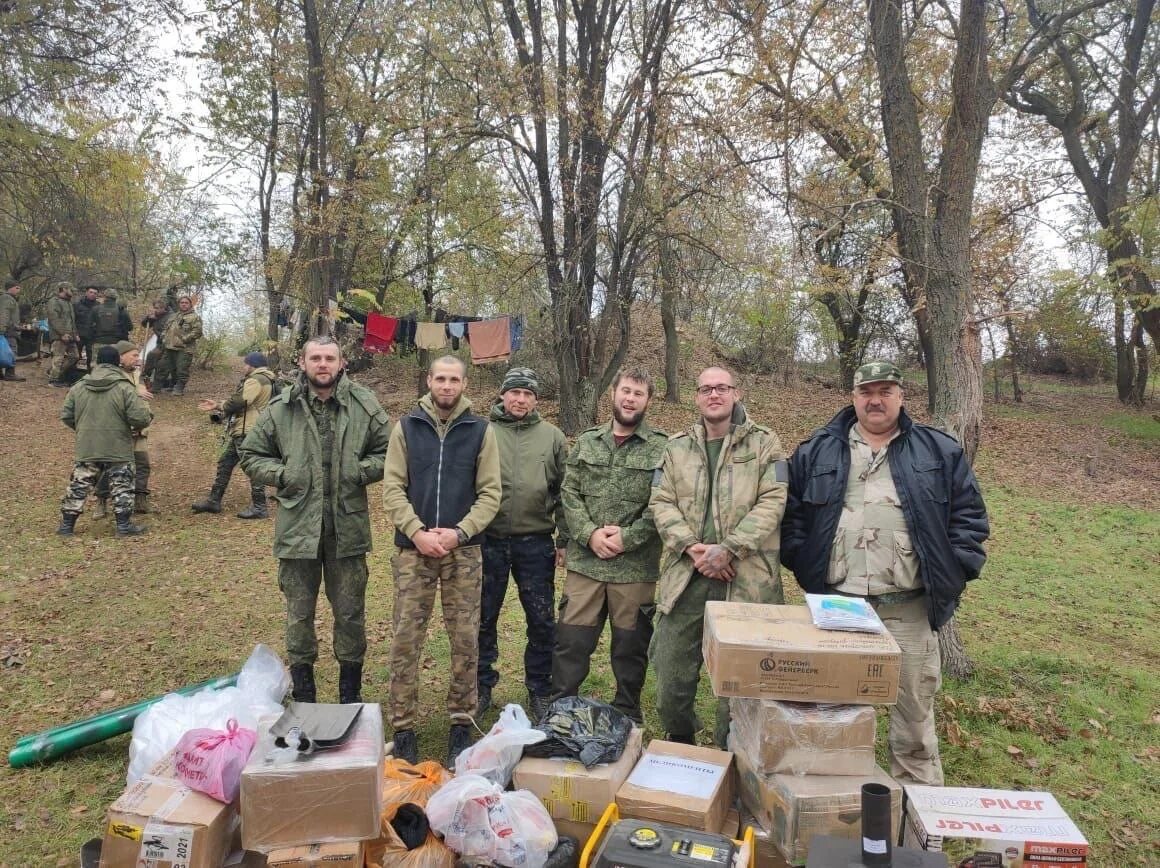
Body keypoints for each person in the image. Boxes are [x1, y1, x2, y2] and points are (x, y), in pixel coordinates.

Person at [780, 361, 990, 786]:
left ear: (901, 396)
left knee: (913, 716)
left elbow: (969, 516)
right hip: (839, 607)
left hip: (907, 608)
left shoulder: (937, 450)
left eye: (885, 391)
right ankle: (833, 803)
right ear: (853, 396)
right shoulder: (816, 449)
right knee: (833, 714)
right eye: (866, 391)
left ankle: (916, 819)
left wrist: (954, 569)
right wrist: (803, 561)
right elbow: (791, 516)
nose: (875, 400)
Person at [239, 336, 391, 705]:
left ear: (341, 364)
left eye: (330, 358)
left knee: (351, 614)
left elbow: (391, 450)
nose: (323, 364)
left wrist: (360, 470)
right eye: (315, 358)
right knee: (298, 615)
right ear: (303, 362)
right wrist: (285, 473)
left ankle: (349, 695)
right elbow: (251, 455)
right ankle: (305, 695)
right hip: (297, 529)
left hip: (347, 530)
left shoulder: (363, 404)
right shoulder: (281, 408)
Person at [650, 366, 789, 745]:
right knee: (671, 670)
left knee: (740, 676)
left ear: (736, 393)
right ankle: (681, 739)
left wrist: (729, 549)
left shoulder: (765, 443)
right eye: (706, 389)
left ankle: (732, 750)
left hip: (744, 579)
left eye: (722, 388)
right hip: (686, 576)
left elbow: (774, 501)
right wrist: (692, 548)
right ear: (697, 397)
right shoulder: (676, 447)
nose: (714, 394)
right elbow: (660, 501)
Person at [382, 355, 501, 766]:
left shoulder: (481, 431)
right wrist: (416, 531)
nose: (447, 385)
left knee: (465, 638)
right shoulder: (406, 428)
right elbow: (392, 488)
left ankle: (460, 722)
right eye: (440, 378)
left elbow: (490, 493)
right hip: (413, 550)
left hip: (463, 552)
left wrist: (459, 532)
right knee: (405, 638)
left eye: (454, 379)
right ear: (429, 381)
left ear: (465, 384)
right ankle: (403, 726)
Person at [552, 366, 668, 724]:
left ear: (648, 401)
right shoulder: (587, 441)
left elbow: (663, 502)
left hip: (633, 568)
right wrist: (588, 533)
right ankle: (561, 709)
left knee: (630, 647)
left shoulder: (663, 448)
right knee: (572, 642)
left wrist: (626, 538)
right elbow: (568, 492)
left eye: (638, 393)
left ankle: (627, 713)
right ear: (613, 393)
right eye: (626, 391)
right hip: (586, 563)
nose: (630, 398)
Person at [476, 367, 568, 722]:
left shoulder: (552, 437)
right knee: (483, 618)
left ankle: (540, 687)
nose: (520, 399)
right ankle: (481, 686)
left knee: (541, 619)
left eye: (527, 394)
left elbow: (565, 491)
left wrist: (565, 538)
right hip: (489, 540)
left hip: (536, 542)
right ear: (503, 395)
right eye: (514, 392)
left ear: (536, 399)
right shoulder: (482, 433)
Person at [56, 345, 153, 537]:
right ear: (117, 361)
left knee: (79, 484)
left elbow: (66, 415)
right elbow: (140, 418)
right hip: (118, 445)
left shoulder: (79, 386)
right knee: (122, 485)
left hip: (88, 445)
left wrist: (84, 430)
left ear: (97, 361)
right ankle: (123, 527)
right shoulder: (124, 386)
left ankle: (67, 526)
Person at [193, 351, 278, 518]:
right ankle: (214, 501)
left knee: (253, 466)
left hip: (249, 430)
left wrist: (219, 405)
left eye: (245, 364)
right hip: (250, 428)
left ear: (252, 364)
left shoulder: (256, 379)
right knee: (225, 462)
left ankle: (260, 507)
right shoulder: (268, 379)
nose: (243, 367)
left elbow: (242, 401)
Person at [93, 340, 156, 517]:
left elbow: (142, 402)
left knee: (142, 464)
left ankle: (140, 498)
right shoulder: (110, 376)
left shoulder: (138, 375)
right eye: (134, 355)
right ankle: (101, 500)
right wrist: (135, 391)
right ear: (121, 357)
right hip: (118, 430)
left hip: (139, 429)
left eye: (138, 355)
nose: (138, 358)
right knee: (108, 466)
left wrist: (143, 422)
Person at [154, 295, 203, 396]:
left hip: (184, 348)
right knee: (163, 367)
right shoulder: (174, 316)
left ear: (190, 304)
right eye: (182, 303)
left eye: (186, 303)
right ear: (179, 304)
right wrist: (164, 338)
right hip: (169, 346)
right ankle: (156, 387)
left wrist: (185, 339)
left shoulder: (194, 317)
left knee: (182, 369)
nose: (184, 304)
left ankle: (179, 388)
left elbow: (197, 332)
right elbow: (165, 329)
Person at [46, 281, 80, 386]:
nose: (72, 292)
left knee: (75, 356)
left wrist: (75, 334)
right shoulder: (54, 301)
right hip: (59, 336)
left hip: (70, 336)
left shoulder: (68, 302)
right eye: (70, 289)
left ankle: (54, 372)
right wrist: (62, 334)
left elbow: (71, 321)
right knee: (58, 357)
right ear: (64, 289)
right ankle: (53, 380)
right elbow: (54, 319)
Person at [87, 288, 132, 358]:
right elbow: (130, 327)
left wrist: (92, 340)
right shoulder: (122, 310)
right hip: (116, 344)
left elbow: (89, 326)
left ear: (104, 297)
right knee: (113, 365)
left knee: (96, 365)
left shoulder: (95, 309)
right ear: (115, 297)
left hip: (98, 342)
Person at [140, 299, 173, 389]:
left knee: (162, 365)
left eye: (158, 308)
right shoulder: (155, 316)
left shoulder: (171, 317)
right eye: (155, 308)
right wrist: (148, 318)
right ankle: (146, 379)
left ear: (164, 308)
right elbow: (144, 324)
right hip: (160, 344)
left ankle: (157, 386)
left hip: (170, 345)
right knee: (151, 356)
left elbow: (168, 332)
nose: (156, 310)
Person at [0, 279, 25, 381]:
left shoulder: (5, 298)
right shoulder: (8, 299)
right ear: (11, 288)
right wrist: (2, 329)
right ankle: (10, 373)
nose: (19, 290)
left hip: (6, 328)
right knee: (12, 350)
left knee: (2, 351)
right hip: (8, 330)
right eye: (17, 287)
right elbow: (4, 315)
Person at [73, 286, 100, 371]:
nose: (93, 294)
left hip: (92, 336)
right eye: (91, 292)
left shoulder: (99, 306)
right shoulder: (77, 305)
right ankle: (70, 374)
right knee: (75, 356)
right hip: (79, 335)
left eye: (95, 293)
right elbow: (72, 320)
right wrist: (75, 333)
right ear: (86, 293)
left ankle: (90, 374)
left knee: (91, 357)